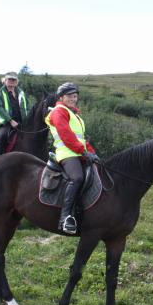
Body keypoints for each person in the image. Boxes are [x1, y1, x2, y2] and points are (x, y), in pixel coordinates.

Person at [45, 82, 99, 234]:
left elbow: (82, 138)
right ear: (61, 97)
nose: (73, 99)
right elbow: (66, 136)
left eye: (75, 96)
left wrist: (92, 153)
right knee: (77, 178)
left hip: (79, 152)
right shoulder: (58, 111)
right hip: (67, 153)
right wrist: (83, 151)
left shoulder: (75, 115)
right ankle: (65, 217)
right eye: (69, 96)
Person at [0, 72, 29, 156]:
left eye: (14, 79)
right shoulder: (0, 93)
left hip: (21, 121)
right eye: (9, 79)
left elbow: (28, 106)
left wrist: (27, 119)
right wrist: (10, 121)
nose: (11, 81)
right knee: (3, 136)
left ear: (16, 82)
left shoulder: (21, 93)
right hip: (5, 122)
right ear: (5, 81)